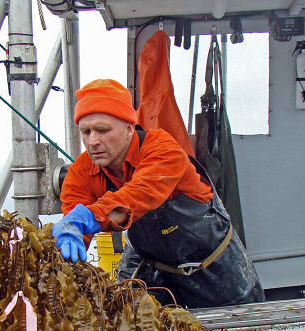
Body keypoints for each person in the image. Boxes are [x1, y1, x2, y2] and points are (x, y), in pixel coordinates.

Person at [52, 79, 264, 308]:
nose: (92, 141)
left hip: (213, 265)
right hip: (152, 266)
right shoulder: (80, 173)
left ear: (129, 128)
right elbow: (75, 233)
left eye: (103, 130)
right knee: (123, 318)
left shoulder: (163, 149)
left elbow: (139, 195)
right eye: (86, 132)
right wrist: (69, 247)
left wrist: (89, 217)